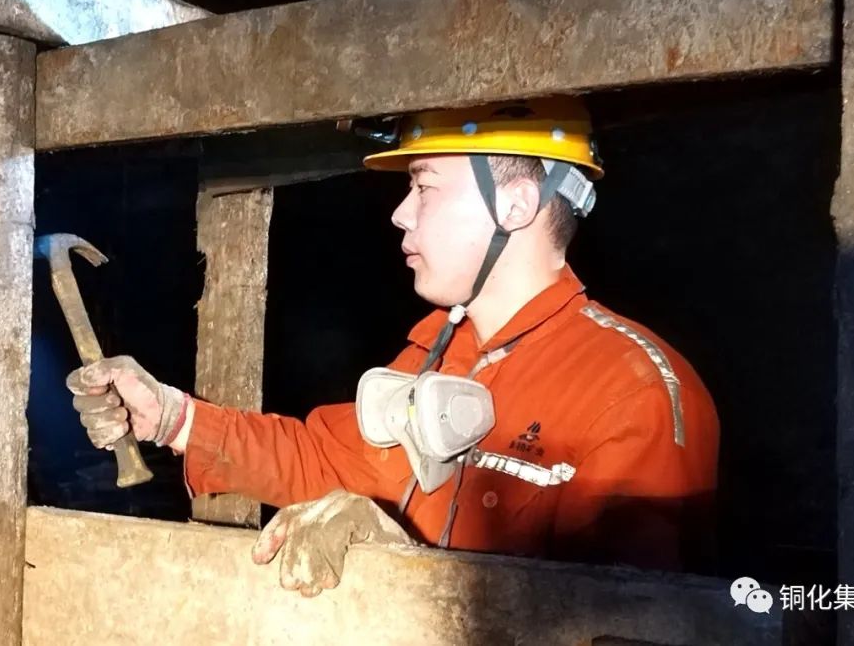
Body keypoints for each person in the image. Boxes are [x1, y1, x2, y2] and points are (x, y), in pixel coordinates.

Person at [67, 96, 719, 597]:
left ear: (517, 204)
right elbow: (324, 460)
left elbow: (618, 619)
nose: (400, 213)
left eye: (425, 186)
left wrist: (406, 564)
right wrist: (171, 415)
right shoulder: (438, 351)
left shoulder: (629, 389)